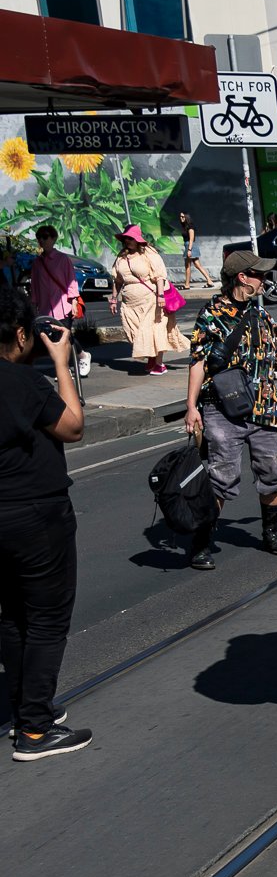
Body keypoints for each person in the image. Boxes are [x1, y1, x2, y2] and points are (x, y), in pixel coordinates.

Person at [181, 249, 277, 568]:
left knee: (273, 472)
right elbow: (198, 361)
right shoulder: (212, 314)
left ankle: (271, 532)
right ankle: (201, 542)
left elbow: (271, 361)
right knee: (222, 477)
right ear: (243, 277)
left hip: (264, 408)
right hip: (222, 408)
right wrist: (191, 406)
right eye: (260, 275)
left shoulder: (262, 315)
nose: (265, 280)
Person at [0, 288, 90, 761]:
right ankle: (35, 730)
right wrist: (60, 362)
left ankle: (26, 707)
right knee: (47, 618)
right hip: (35, 513)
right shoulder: (23, 383)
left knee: (13, 615)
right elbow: (72, 426)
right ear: (20, 335)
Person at [109, 224, 186, 376]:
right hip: (129, 303)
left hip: (150, 299)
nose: (128, 241)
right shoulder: (121, 256)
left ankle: (159, 364)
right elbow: (117, 280)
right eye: (126, 238)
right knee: (134, 332)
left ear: (138, 240)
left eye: (131, 238)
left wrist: (160, 296)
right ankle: (152, 357)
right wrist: (113, 299)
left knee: (154, 330)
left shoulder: (149, 253)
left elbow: (160, 276)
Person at [27, 227, 79, 326]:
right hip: (44, 309)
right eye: (39, 237)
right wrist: (33, 305)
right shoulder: (37, 262)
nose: (41, 240)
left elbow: (71, 281)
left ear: (54, 238)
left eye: (45, 237)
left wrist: (74, 303)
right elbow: (34, 286)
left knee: (64, 335)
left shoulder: (63, 259)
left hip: (63, 308)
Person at [179, 212, 213, 288]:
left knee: (188, 266)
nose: (181, 218)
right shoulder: (185, 226)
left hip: (190, 246)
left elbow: (191, 239)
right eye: (180, 217)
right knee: (196, 265)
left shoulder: (190, 227)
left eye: (183, 217)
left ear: (186, 217)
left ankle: (187, 285)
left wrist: (189, 250)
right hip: (188, 246)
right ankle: (209, 281)